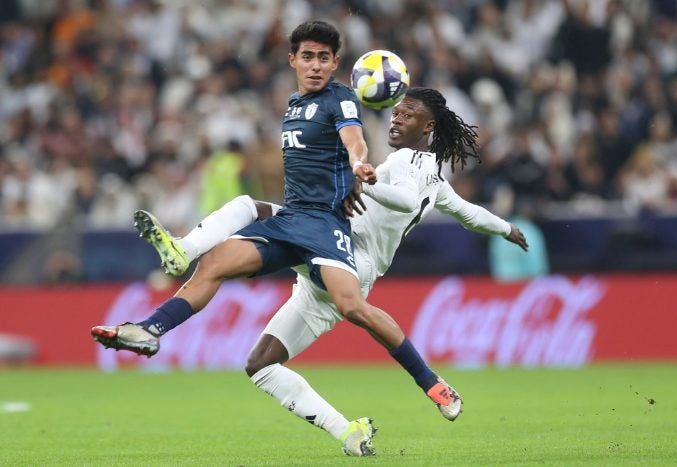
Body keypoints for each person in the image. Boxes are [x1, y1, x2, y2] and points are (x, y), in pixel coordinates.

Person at [93, 85, 528, 456]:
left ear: (428, 127)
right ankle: (349, 431)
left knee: (259, 219)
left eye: (409, 114)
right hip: (321, 251)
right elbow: (472, 215)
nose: (397, 119)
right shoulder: (439, 182)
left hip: (346, 257)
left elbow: (405, 202)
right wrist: (507, 228)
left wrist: (366, 183)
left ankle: (432, 382)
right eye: (396, 111)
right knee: (261, 364)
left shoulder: (413, 165)